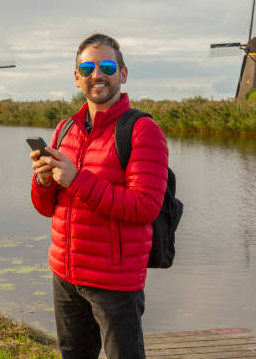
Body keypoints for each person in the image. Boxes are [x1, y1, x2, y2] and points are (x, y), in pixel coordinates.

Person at [30, 33, 168, 359]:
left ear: (122, 73)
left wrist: (77, 180)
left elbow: (145, 207)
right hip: (65, 274)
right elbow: (46, 208)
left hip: (114, 280)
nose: (97, 74)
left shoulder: (142, 130)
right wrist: (45, 181)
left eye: (106, 66)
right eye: (87, 67)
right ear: (76, 76)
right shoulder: (65, 129)